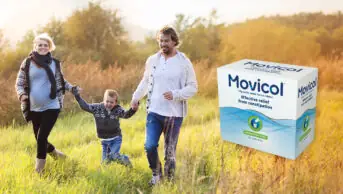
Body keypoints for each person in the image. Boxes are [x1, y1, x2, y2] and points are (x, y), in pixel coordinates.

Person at [131, 26, 198, 185]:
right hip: (154, 111)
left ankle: (169, 182)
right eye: (161, 41)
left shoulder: (184, 62)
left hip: (174, 115)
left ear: (174, 41)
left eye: (166, 41)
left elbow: (193, 87)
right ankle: (156, 174)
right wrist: (135, 97)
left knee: (170, 152)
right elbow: (146, 81)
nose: (163, 44)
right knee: (150, 145)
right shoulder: (152, 60)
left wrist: (176, 94)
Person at [15, 33, 75, 173]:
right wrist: (22, 95)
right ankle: (58, 155)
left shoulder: (55, 63)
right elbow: (19, 83)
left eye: (45, 45)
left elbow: (61, 81)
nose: (43, 47)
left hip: (52, 106)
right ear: (35, 46)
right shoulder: (28, 62)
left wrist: (72, 88)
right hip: (34, 108)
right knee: (39, 138)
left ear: (50, 47)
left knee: (42, 137)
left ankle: (39, 170)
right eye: (40, 45)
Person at [72, 88, 137, 166]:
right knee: (105, 164)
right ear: (103, 100)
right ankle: (109, 161)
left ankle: (125, 159)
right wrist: (77, 96)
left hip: (115, 139)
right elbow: (85, 106)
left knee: (114, 155)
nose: (109, 104)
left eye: (111, 102)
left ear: (116, 103)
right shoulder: (97, 108)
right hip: (104, 141)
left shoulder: (117, 110)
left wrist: (133, 110)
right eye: (107, 101)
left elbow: (126, 115)